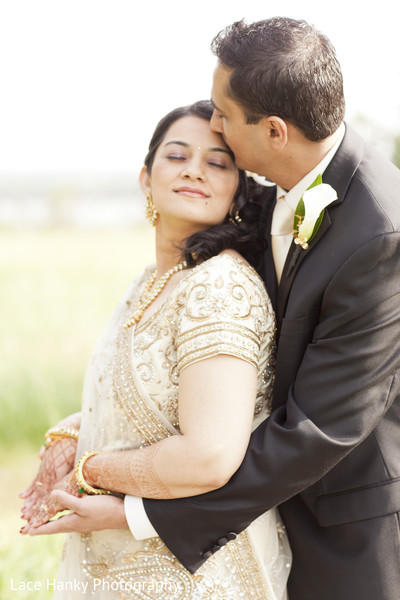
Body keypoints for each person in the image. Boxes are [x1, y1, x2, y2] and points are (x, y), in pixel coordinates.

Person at [133, 18, 399, 600]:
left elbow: (324, 426)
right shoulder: (267, 182)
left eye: (224, 115)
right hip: (263, 517)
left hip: (349, 534)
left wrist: (143, 514)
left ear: (274, 130)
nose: (214, 124)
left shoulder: (380, 234)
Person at [20, 100, 291, 599]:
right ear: (146, 178)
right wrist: (65, 435)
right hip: (123, 563)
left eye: (217, 162)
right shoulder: (154, 280)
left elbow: (208, 455)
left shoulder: (218, 287)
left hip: (191, 575)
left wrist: (88, 468)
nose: (194, 170)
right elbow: (145, 404)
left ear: (237, 189)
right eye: (177, 156)